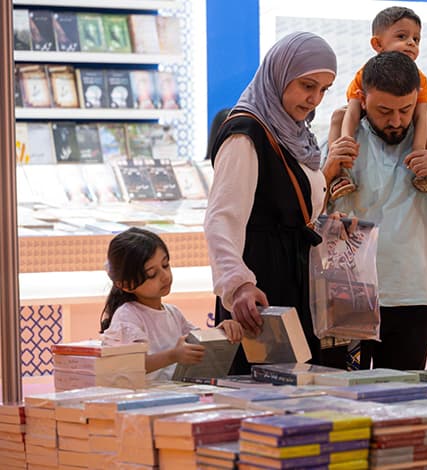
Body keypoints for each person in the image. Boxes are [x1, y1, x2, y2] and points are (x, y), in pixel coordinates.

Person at [204, 32, 351, 373]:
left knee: (299, 396)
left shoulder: (294, 132)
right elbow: (221, 219)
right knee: (262, 398)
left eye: (323, 89)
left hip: (297, 281)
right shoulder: (246, 133)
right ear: (280, 75)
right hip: (260, 289)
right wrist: (238, 285)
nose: (314, 98)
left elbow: (298, 208)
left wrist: (328, 226)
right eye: (306, 85)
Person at [327, 51, 427, 371]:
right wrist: (327, 173)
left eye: (405, 110)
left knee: (404, 407)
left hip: (413, 299)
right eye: (384, 111)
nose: (396, 120)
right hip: (344, 296)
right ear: (362, 100)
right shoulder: (338, 141)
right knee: (338, 404)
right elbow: (305, 217)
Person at [327, 6, 427, 200]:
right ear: (377, 43)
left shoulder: (420, 79)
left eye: (416, 39)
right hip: (363, 121)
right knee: (339, 114)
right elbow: (353, 111)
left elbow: (422, 115)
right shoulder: (364, 74)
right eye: (402, 37)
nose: (411, 43)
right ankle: (340, 175)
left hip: (420, 146)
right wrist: (346, 147)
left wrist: (419, 154)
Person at [100, 228, 243, 381]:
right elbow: (128, 365)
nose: (164, 276)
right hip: (148, 399)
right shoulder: (128, 316)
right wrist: (173, 355)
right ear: (126, 284)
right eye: (151, 274)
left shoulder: (173, 313)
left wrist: (221, 332)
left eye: (165, 265)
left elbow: (198, 343)